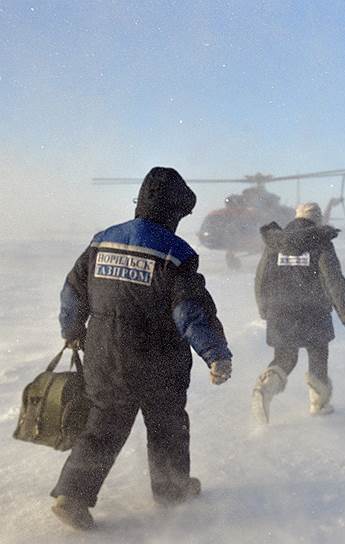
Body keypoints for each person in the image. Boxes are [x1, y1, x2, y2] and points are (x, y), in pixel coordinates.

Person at [51, 167, 232, 530]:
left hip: (103, 353)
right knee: (167, 424)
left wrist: (71, 330)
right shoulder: (176, 254)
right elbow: (190, 311)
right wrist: (216, 353)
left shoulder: (102, 240)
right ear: (173, 211)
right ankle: (171, 490)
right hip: (158, 359)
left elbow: (73, 291)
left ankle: (71, 495)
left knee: (103, 424)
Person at [251, 202, 345, 425]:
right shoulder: (321, 241)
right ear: (317, 220)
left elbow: (261, 278)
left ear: (296, 217)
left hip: (280, 311)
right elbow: (333, 280)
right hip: (314, 311)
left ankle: (265, 387)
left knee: (285, 358)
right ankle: (318, 403)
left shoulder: (275, 241)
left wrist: (264, 308)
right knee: (318, 356)